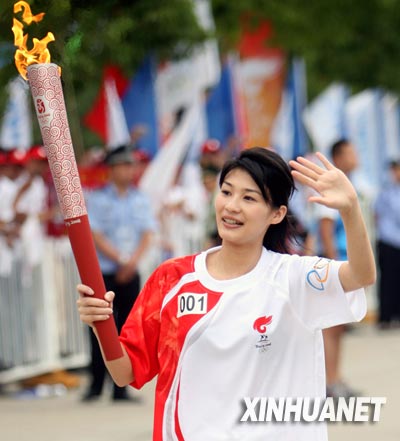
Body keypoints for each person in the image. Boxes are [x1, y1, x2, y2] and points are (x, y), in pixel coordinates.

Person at [77, 147, 375, 440]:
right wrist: (101, 324)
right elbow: (124, 372)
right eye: (227, 192)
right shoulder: (173, 280)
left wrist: (350, 210)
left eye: (249, 198)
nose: (232, 206)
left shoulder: (292, 278)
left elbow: (361, 275)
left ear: (277, 214)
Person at [81, 144, 157, 402]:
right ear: (112, 169)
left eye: (130, 165)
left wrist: (132, 262)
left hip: (130, 270)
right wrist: (121, 259)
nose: (129, 170)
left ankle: (121, 388)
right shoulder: (98, 198)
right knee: (99, 327)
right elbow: (95, 234)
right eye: (124, 165)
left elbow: (147, 233)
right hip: (104, 273)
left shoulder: (140, 198)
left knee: (128, 328)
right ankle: (95, 384)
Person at [313, 139, 362, 398]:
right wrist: (333, 267)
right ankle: (329, 382)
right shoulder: (331, 188)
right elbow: (325, 228)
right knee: (331, 326)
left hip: (344, 264)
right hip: (334, 265)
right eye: (351, 152)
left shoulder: (348, 185)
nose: (356, 156)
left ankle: (335, 378)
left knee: (339, 325)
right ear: (339, 157)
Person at [374, 159, 400, 328]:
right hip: (388, 240)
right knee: (387, 280)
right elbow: (377, 214)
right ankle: (385, 316)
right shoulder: (386, 191)